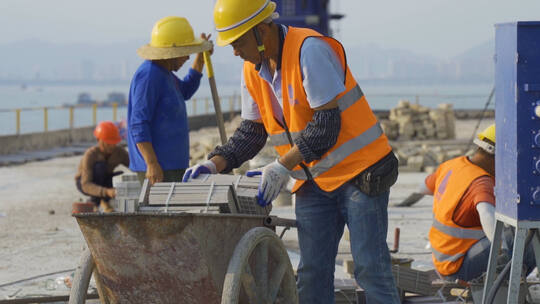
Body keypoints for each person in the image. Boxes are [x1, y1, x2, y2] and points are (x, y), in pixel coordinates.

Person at [183, 1, 400, 302]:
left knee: (370, 270)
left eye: (238, 42)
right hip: (313, 182)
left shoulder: (309, 51)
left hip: (359, 173)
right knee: (311, 274)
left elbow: (326, 125)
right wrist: (214, 164)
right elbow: (252, 132)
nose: (234, 51)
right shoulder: (252, 70)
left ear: (262, 30)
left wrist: (281, 166)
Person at [425, 124, 535, 281]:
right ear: (495, 155)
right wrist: (502, 250)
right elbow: (486, 212)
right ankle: (508, 283)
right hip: (459, 269)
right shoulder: (481, 182)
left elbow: (425, 186)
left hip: (443, 261)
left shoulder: (452, 165)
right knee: (526, 235)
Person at [128, 16, 213, 185]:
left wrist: (201, 59)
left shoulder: (165, 74)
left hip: (173, 165)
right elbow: (138, 123)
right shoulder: (149, 75)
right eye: (184, 52)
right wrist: (151, 163)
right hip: (159, 168)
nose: (187, 57)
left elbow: (186, 91)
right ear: (171, 52)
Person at [75, 121, 129, 212]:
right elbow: (85, 184)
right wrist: (106, 192)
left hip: (105, 180)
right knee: (100, 168)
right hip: (85, 182)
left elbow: (134, 165)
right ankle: (95, 202)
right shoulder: (91, 155)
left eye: (113, 143)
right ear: (98, 140)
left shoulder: (120, 153)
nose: (111, 146)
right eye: (108, 143)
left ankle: (105, 201)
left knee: (120, 176)